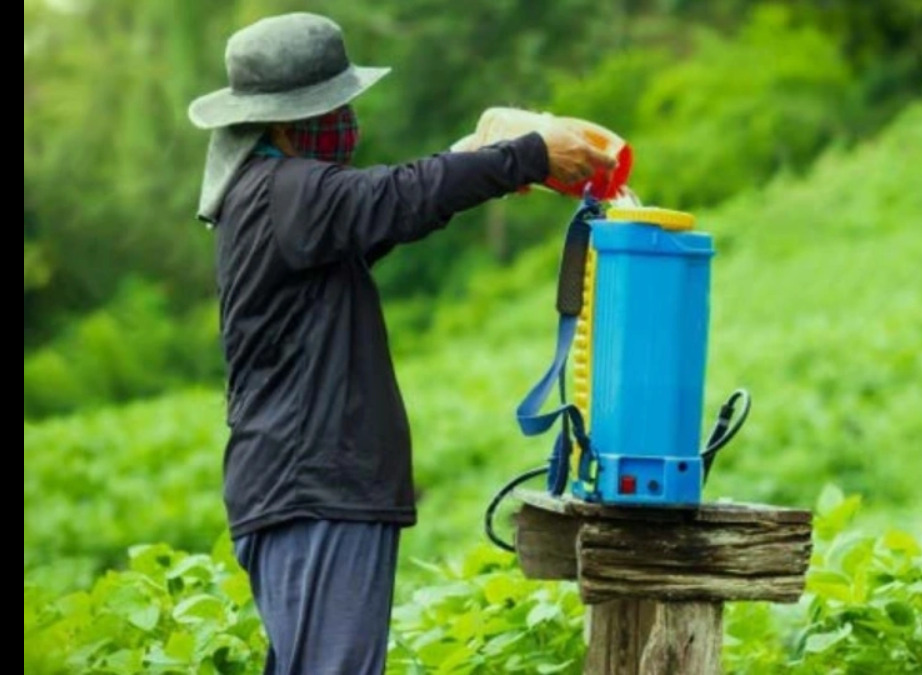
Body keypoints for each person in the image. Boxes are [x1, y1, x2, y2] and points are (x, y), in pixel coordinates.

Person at [186, 12, 614, 674]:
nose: (347, 119)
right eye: (335, 105)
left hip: (301, 490)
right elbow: (396, 194)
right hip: (314, 490)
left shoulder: (278, 199)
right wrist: (524, 155)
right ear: (287, 117)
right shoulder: (286, 192)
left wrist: (477, 160)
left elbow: (395, 209)